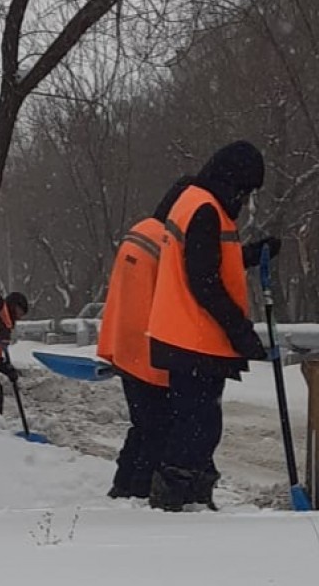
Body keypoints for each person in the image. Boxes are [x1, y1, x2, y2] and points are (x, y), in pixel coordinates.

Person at [146, 141, 281, 512]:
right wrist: (239, 330)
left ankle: (190, 496)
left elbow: (211, 260)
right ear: (235, 181)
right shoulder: (206, 209)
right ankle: (176, 499)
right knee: (198, 425)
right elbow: (204, 280)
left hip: (185, 335)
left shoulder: (195, 201)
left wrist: (251, 254)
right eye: (247, 191)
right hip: (194, 336)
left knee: (198, 422)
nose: (247, 200)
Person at [98, 176, 193, 500]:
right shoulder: (166, 241)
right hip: (149, 349)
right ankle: (138, 491)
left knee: (143, 425)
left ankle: (123, 485)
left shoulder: (139, 232)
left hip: (124, 343)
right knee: (158, 427)